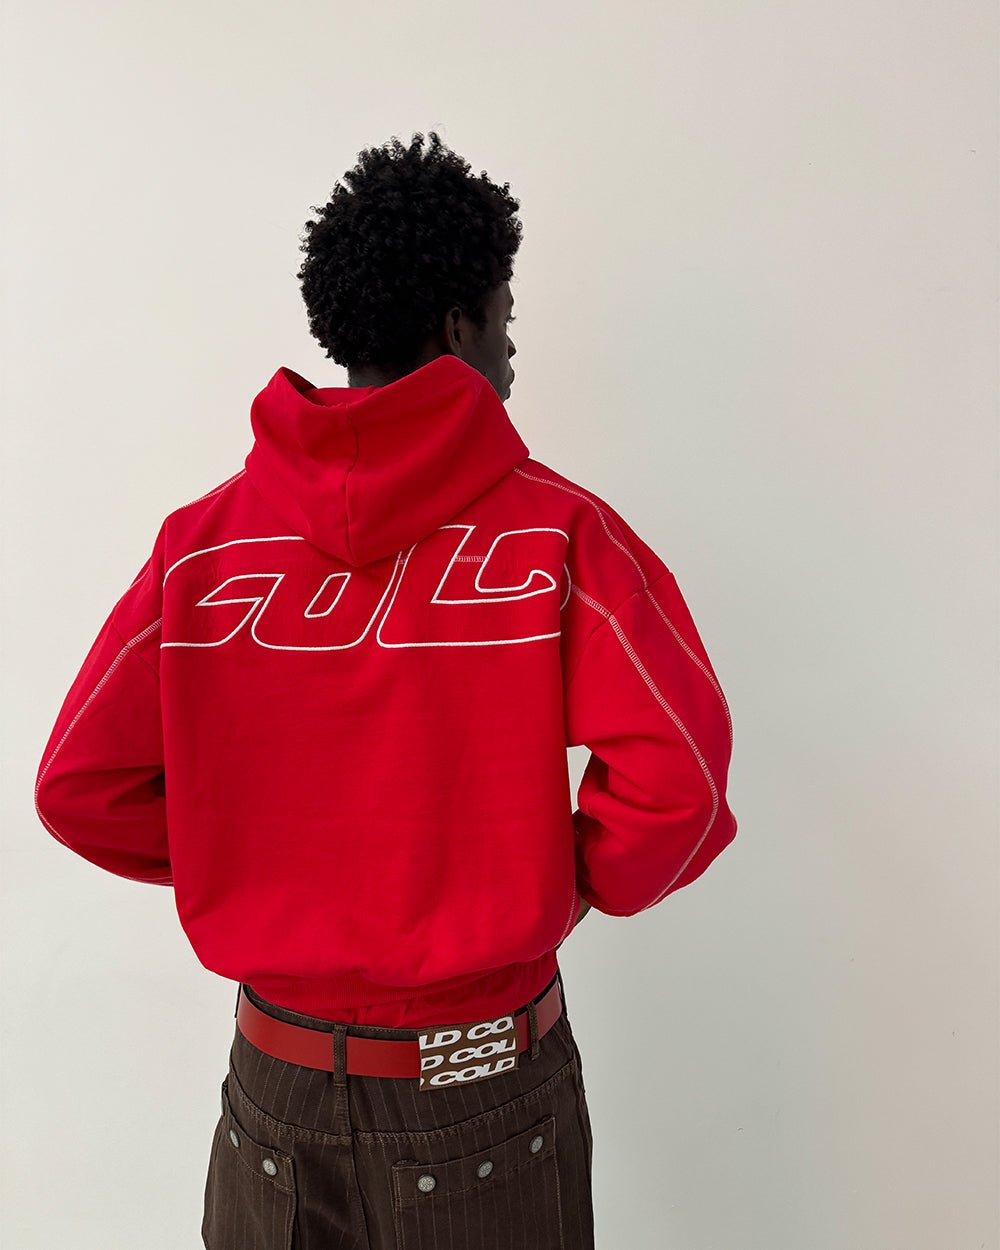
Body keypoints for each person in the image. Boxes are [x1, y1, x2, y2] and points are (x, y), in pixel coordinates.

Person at [34, 130, 737, 1249]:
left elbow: (80, 783)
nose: (512, 349)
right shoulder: (559, 536)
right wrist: (545, 881)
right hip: (481, 1086)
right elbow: (680, 782)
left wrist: (254, 860)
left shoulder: (200, 548)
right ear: (457, 327)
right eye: (505, 318)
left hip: (273, 1091)